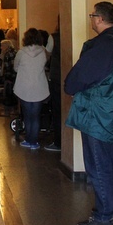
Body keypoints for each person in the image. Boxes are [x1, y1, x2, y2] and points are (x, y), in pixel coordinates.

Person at [65, 2, 113, 225]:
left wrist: (70, 85)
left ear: (99, 19)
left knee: (97, 165)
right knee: (110, 162)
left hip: (97, 112)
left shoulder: (102, 45)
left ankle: (103, 215)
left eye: (92, 15)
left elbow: (80, 77)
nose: (91, 19)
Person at [13, 28, 49, 149]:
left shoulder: (21, 52)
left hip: (24, 87)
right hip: (39, 86)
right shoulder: (43, 51)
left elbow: (15, 67)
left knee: (27, 115)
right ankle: (34, 142)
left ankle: (29, 140)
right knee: (36, 115)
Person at [45, 20, 62, 151]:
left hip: (56, 76)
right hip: (68, 76)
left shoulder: (54, 37)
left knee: (57, 109)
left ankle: (58, 141)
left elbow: (47, 53)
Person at [0, 39, 17, 117]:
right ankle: (13, 110)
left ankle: (7, 112)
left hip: (9, 76)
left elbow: (7, 67)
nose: (1, 47)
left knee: (7, 94)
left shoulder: (7, 54)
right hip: (15, 76)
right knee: (13, 94)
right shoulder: (15, 52)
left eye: (2, 46)